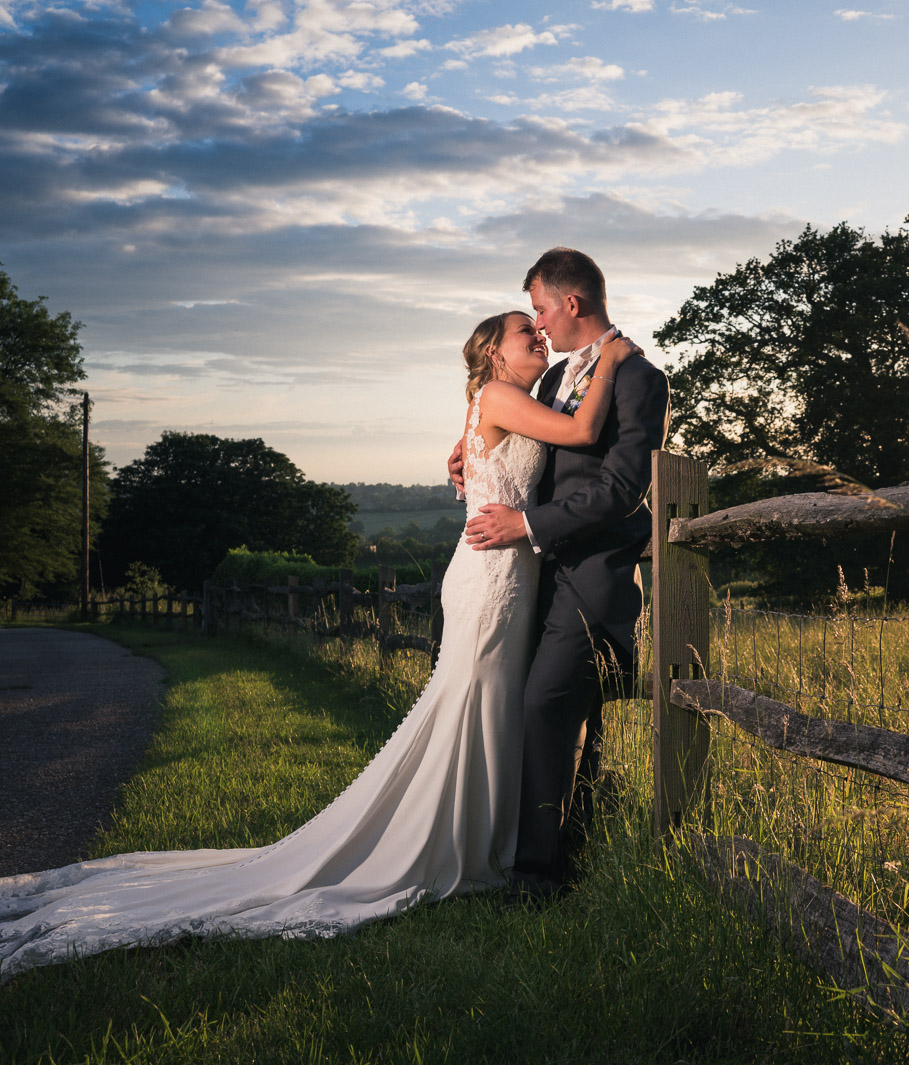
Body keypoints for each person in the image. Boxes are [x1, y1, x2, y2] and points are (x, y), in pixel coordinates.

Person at [0, 312, 638, 982]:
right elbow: (583, 431)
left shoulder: (507, 401)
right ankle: (457, 846)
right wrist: (616, 356)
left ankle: (485, 841)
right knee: (473, 705)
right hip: (492, 583)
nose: (536, 335)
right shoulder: (503, 395)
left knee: (489, 708)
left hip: (504, 576)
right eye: (521, 332)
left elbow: (512, 460)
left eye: (537, 329)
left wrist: (462, 462)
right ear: (492, 353)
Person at [451, 247, 670, 903]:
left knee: (548, 705)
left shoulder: (639, 378)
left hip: (596, 577)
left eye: (541, 308)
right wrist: (468, 451)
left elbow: (622, 489)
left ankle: (536, 877)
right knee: (556, 714)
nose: (539, 324)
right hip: (538, 582)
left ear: (570, 303)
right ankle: (556, 856)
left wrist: (529, 526)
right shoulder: (549, 383)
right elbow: (521, 438)